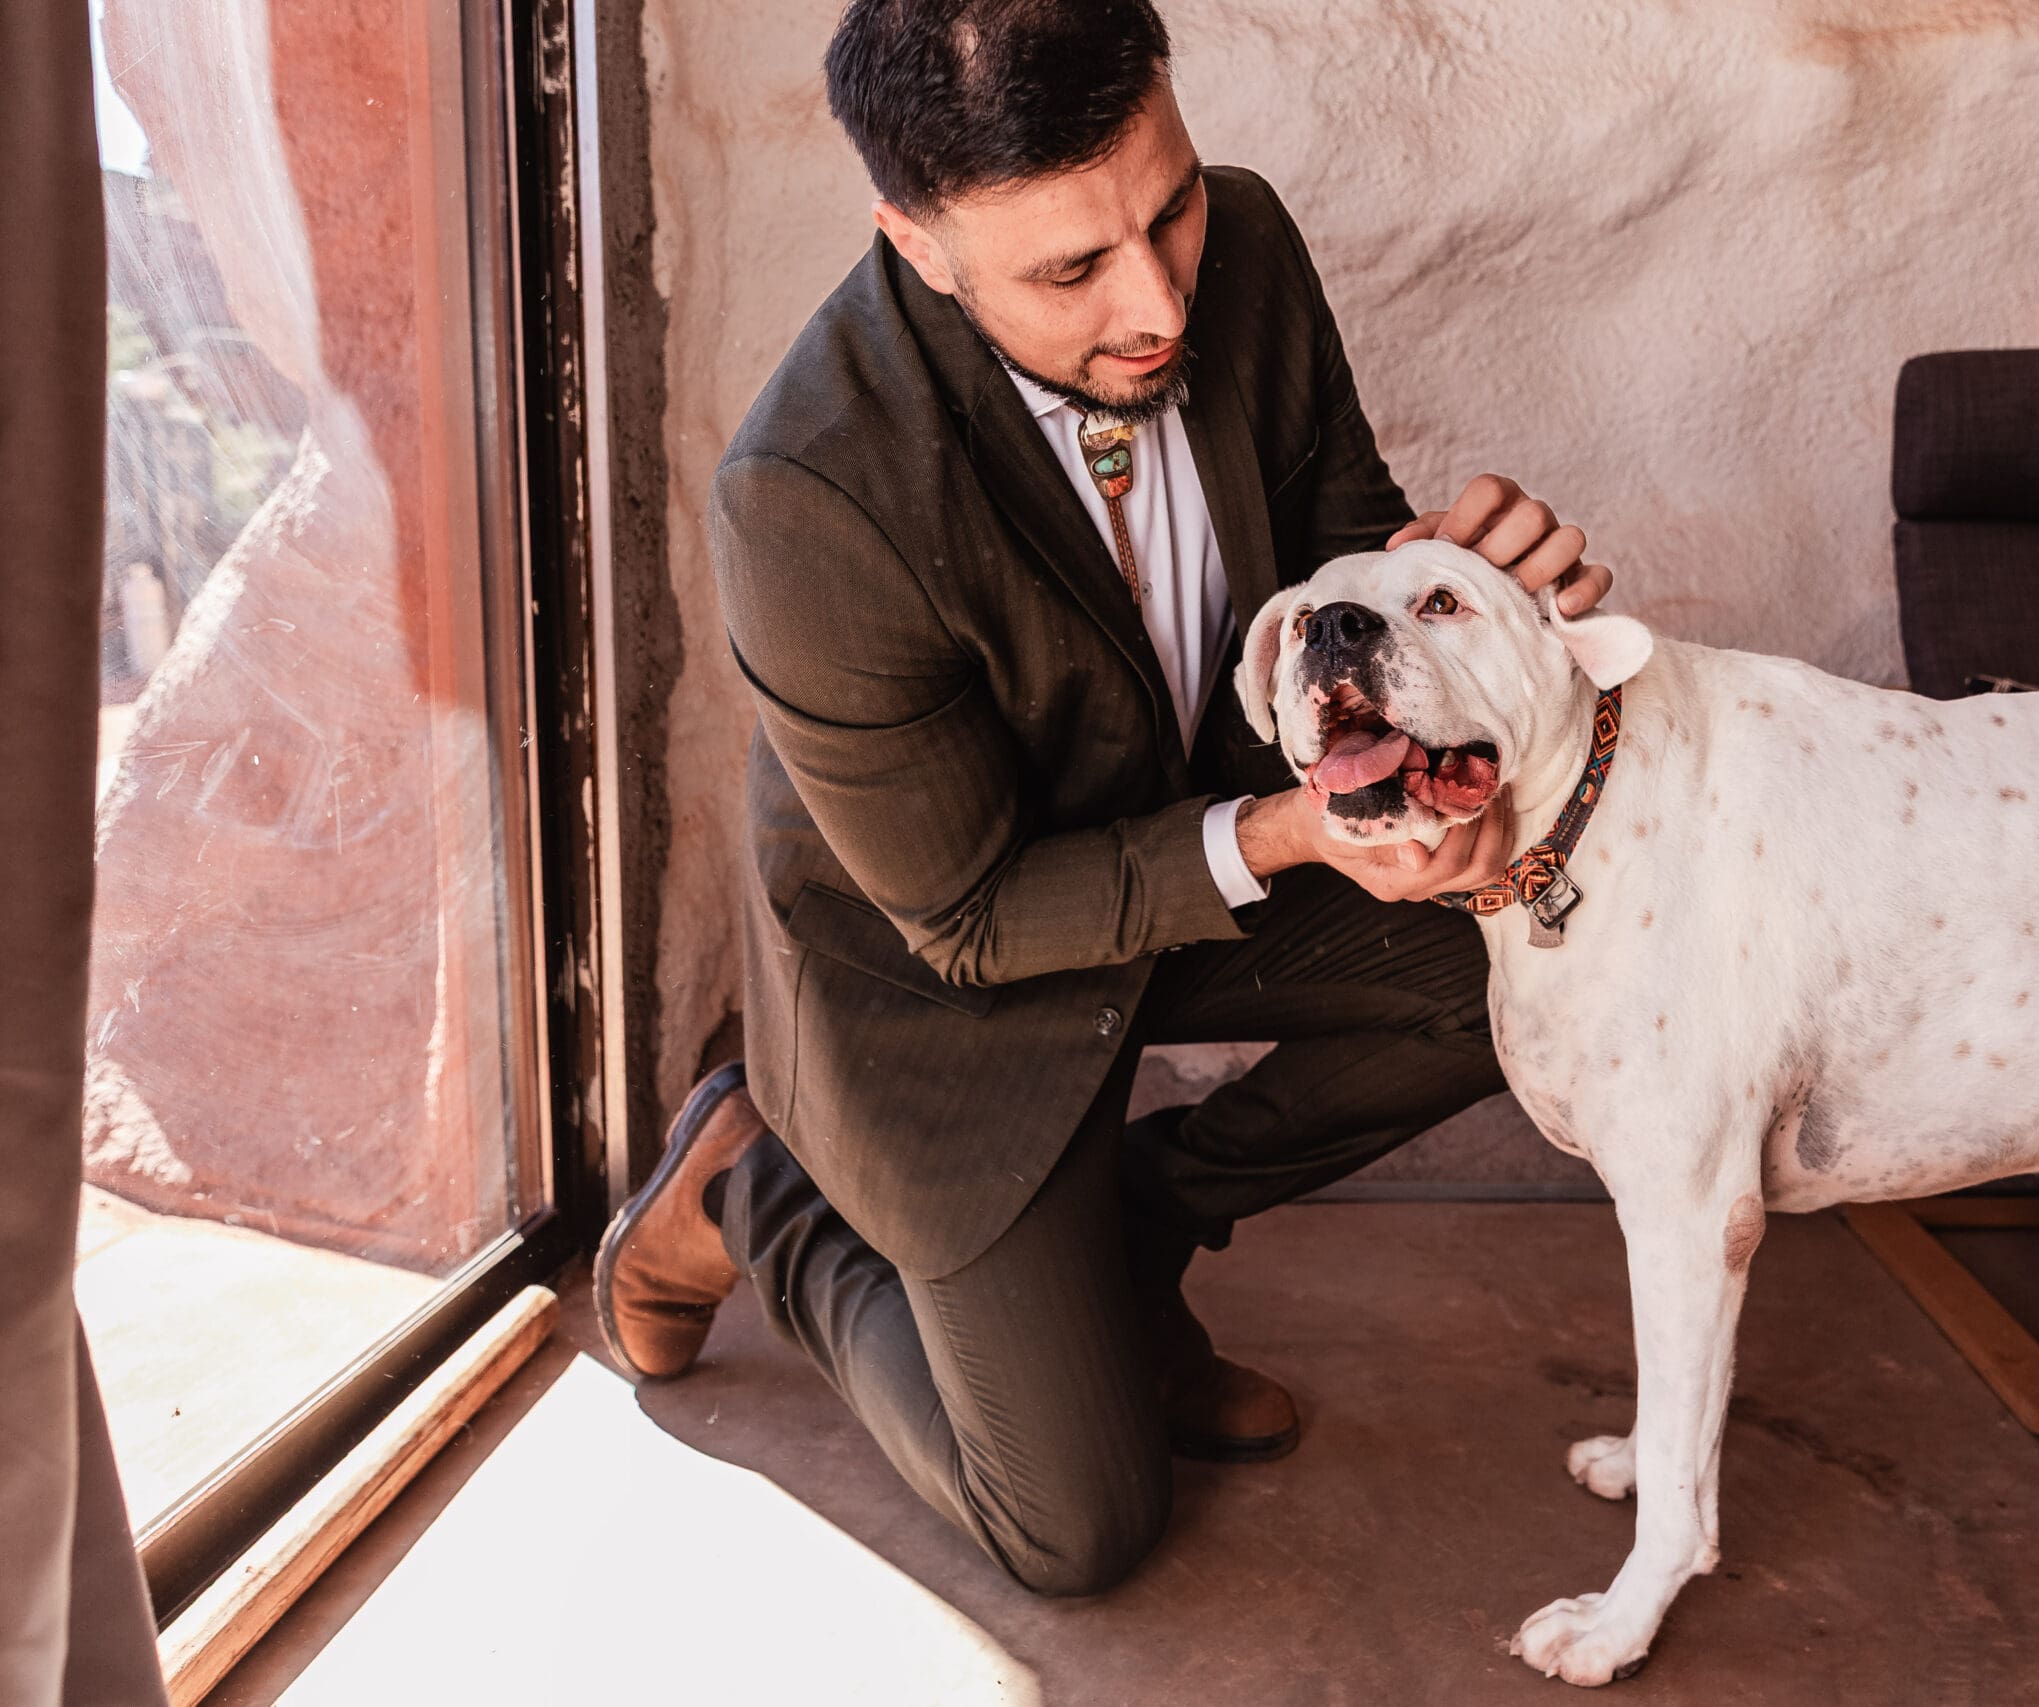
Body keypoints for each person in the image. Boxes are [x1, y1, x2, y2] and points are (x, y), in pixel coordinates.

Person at [593, 0, 1615, 1597]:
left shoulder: (1249, 245)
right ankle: (766, 1193)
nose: (1156, 301)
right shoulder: (805, 494)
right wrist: (1291, 834)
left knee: (1548, 960)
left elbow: (1341, 555)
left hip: (1197, 862)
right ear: (919, 246)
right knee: (1076, 1533)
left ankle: (1132, 1241)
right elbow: (973, 914)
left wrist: (1452, 601)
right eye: (1070, 271)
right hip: (950, 980)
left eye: (1169, 206)